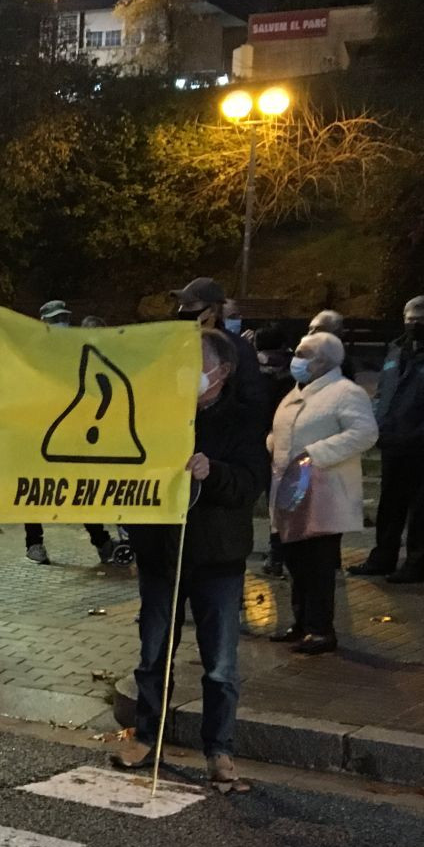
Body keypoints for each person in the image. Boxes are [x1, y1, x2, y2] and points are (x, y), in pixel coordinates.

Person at [112, 329, 268, 793]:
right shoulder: (158, 414)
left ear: (221, 371)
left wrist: (212, 472)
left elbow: (249, 485)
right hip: (162, 555)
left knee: (219, 664)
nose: (185, 372)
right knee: (153, 653)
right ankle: (146, 737)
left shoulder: (243, 421)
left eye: (195, 362)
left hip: (217, 560)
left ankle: (219, 749)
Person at [267, 332, 378, 655]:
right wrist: (273, 445)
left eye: (303, 354)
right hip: (291, 486)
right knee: (296, 560)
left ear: (323, 361)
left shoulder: (345, 393)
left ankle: (321, 628)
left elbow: (365, 432)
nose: (296, 359)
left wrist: (315, 454)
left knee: (317, 563)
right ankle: (302, 622)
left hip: (323, 491)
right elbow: (282, 429)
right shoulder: (296, 391)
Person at [351, 296, 424, 584]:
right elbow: (383, 392)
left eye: (422, 320)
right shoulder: (396, 348)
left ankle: (416, 564)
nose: (414, 325)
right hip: (393, 437)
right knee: (390, 503)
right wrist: (377, 423)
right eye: (410, 319)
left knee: (422, 506)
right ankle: (383, 557)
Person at [24, 300, 121, 566]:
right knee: (35, 486)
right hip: (41, 429)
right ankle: (34, 542)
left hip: (73, 430)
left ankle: (101, 542)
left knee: (82, 486)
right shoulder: (34, 353)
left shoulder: (76, 350)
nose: (61, 324)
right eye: (55, 320)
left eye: (64, 318)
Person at [172, 277, 267, 408]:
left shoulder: (237, 348)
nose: (182, 310)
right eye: (180, 305)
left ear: (212, 310)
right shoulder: (174, 345)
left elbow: (252, 400)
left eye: (189, 305)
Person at [250, 326, 298, 578]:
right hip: (280, 444)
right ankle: (277, 554)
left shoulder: (251, 371)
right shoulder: (293, 372)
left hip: (252, 443)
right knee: (277, 504)